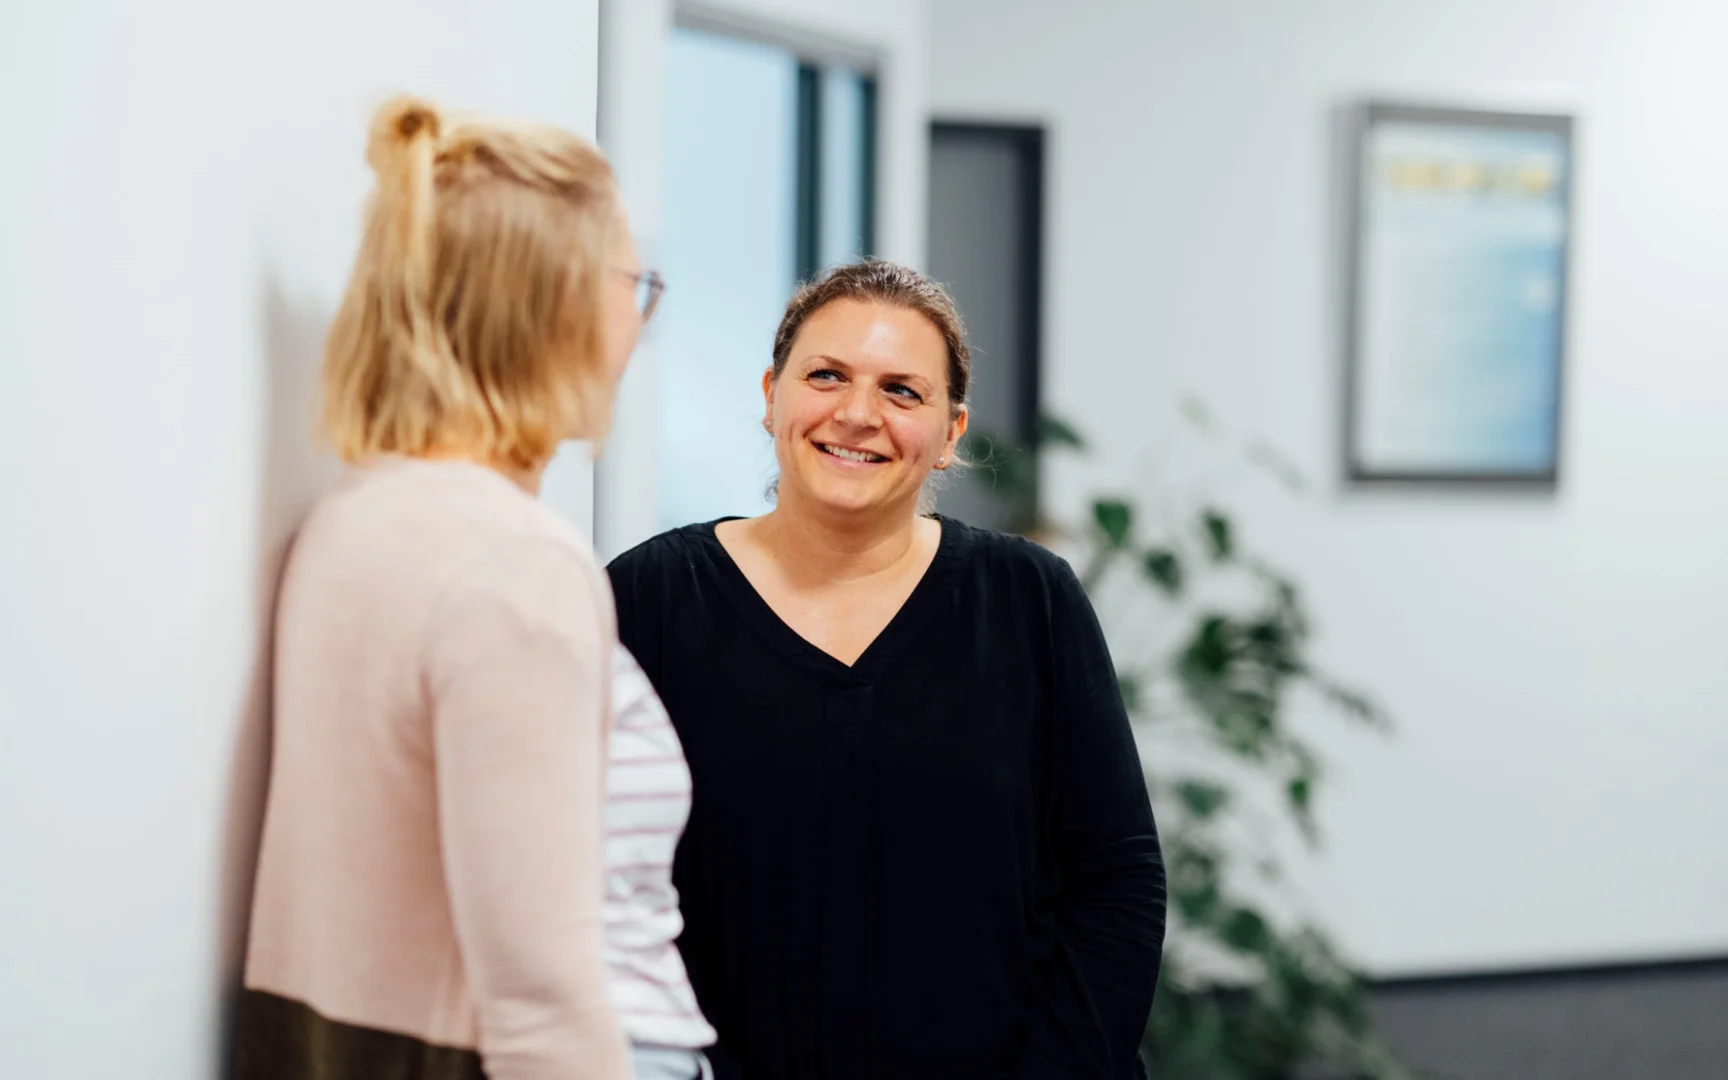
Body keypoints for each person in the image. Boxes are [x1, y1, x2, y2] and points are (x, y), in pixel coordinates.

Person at [233, 94, 713, 1080]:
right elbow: (539, 993)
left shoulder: (357, 515)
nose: (640, 320)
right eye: (637, 282)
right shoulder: (517, 566)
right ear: (555, 302)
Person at [605, 261, 1168, 1079]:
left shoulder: (1026, 600)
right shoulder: (650, 598)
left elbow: (1117, 880)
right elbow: (596, 881)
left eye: (902, 392)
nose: (858, 414)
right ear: (771, 395)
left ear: (951, 433)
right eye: (826, 375)